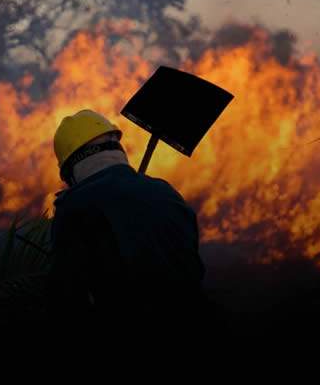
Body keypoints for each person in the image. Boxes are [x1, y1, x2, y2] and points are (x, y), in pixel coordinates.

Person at [48, 109, 207, 336]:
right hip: (198, 328)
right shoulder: (167, 192)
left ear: (71, 171)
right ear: (118, 148)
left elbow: (66, 302)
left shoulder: (73, 208)